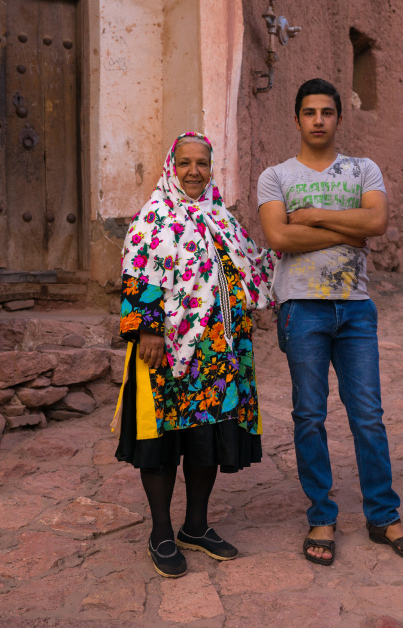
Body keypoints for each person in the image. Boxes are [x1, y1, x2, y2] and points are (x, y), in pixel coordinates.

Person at [257, 78, 403, 565]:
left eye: (326, 112)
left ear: (337, 118)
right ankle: (321, 516)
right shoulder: (275, 176)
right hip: (300, 307)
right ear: (296, 119)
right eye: (309, 112)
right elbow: (276, 237)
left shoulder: (363, 170)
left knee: (367, 416)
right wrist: (341, 226)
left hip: (354, 307)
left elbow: (375, 224)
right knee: (309, 416)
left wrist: (309, 216)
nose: (317, 120)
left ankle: (383, 516)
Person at [112, 131, 277, 579]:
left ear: (210, 166)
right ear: (172, 166)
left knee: (206, 439)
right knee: (162, 442)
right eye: (185, 163)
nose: (193, 172)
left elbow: (250, 267)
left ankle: (196, 526)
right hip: (163, 350)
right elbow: (137, 266)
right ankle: (161, 532)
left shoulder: (221, 216)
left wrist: (293, 248)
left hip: (217, 353)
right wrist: (146, 328)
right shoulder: (154, 217)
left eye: (201, 163)